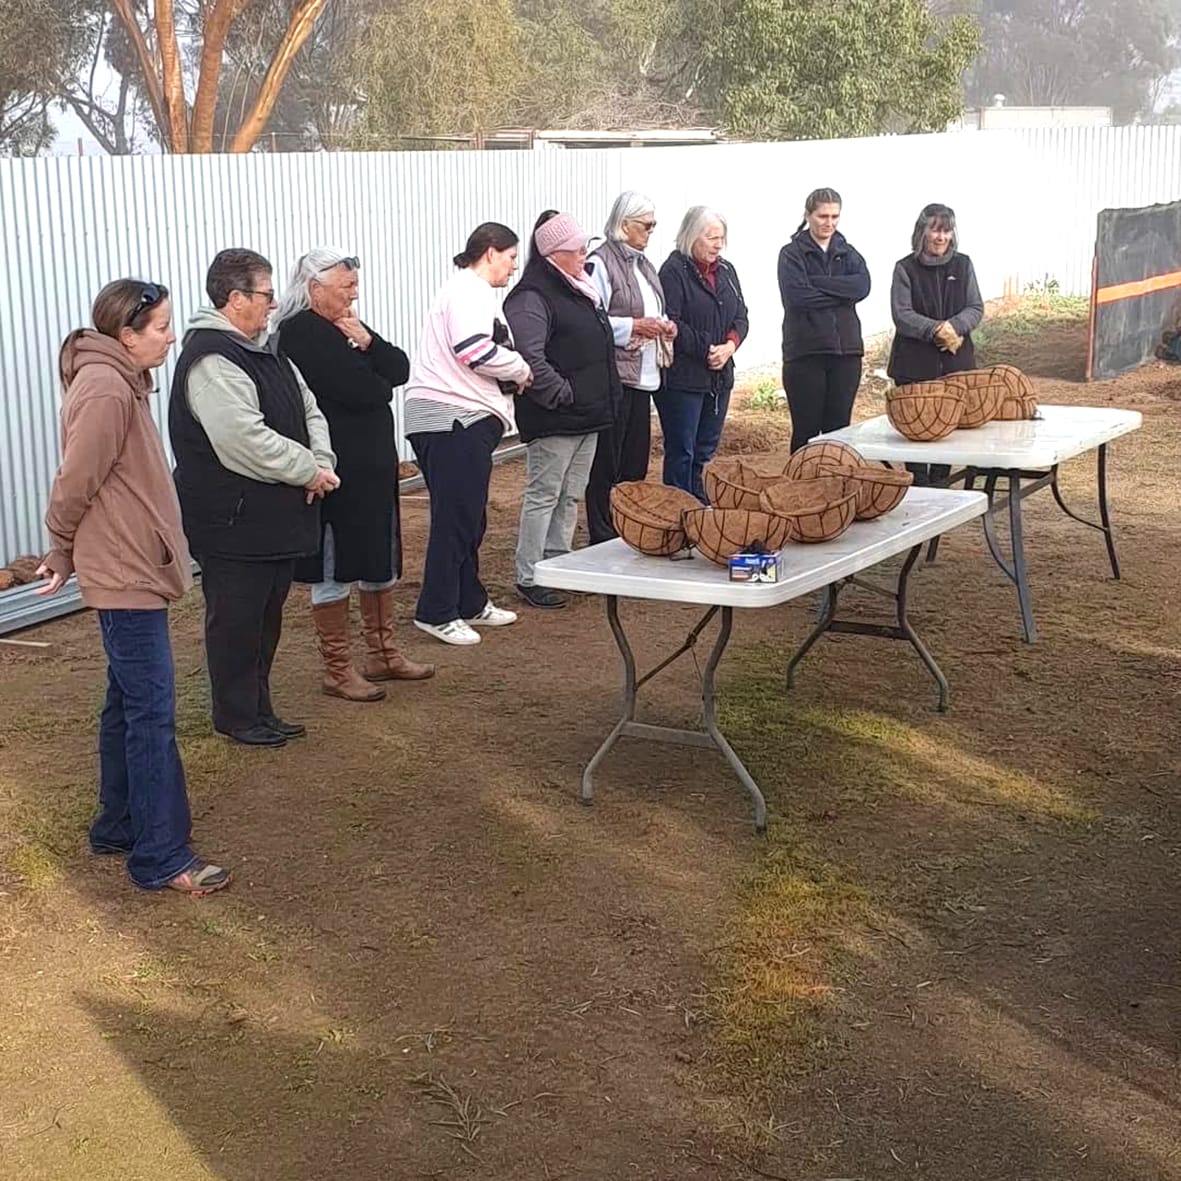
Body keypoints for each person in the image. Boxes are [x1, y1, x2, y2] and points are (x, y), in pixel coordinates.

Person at [36, 279, 230, 896]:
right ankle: (161, 856)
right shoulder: (105, 387)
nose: (171, 338)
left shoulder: (121, 381)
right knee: (151, 713)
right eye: (162, 327)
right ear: (127, 335)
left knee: (127, 703)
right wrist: (60, 546)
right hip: (124, 571)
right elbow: (75, 479)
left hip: (131, 564)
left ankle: (117, 826)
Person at [169, 248, 338, 748]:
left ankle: (260, 708)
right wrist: (308, 469)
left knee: (265, 620)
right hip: (232, 523)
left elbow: (309, 407)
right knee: (236, 623)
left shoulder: (265, 349)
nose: (273, 303)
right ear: (236, 298)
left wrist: (321, 461)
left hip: (270, 521)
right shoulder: (213, 360)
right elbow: (243, 440)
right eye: (266, 294)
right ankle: (237, 715)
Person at [274, 248, 434, 701]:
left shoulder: (346, 326)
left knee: (377, 552)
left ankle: (383, 652)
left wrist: (368, 343)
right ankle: (337, 667)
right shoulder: (300, 332)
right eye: (346, 286)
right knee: (335, 561)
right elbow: (366, 390)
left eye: (355, 285)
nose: (354, 295)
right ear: (314, 288)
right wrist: (375, 374)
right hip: (335, 467)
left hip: (372, 466)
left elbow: (399, 368)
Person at [403, 223, 531, 646]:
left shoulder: (470, 292)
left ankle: (469, 600)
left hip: (456, 418)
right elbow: (473, 350)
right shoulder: (469, 291)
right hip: (452, 419)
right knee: (457, 518)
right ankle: (436, 610)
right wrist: (520, 368)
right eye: (511, 257)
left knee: (469, 515)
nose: (513, 266)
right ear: (490, 252)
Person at [504, 210, 620, 608]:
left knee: (570, 494)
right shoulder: (531, 297)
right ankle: (530, 574)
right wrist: (563, 394)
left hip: (588, 413)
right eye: (578, 249)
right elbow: (530, 356)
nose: (585, 256)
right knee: (544, 494)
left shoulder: (580, 288)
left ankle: (558, 563)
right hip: (556, 416)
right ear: (554, 253)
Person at [585, 192, 677, 542]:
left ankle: (626, 528)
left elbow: (654, 308)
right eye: (646, 225)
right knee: (607, 462)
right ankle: (602, 532)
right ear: (625, 224)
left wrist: (664, 326)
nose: (651, 231)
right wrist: (634, 327)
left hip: (644, 374)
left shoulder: (643, 264)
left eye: (654, 225)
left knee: (635, 462)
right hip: (616, 376)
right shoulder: (600, 263)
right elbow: (593, 320)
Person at [655, 206, 749, 502]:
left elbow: (741, 316)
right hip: (684, 377)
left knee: (705, 448)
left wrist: (729, 346)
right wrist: (707, 348)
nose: (718, 244)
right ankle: (678, 506)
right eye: (711, 237)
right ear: (691, 236)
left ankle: (698, 503)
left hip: (719, 376)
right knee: (682, 449)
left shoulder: (727, 271)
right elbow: (671, 321)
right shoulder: (673, 272)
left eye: (721, 238)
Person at [888, 203, 984, 485]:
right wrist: (935, 330)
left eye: (946, 231)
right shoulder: (904, 268)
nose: (941, 237)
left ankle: (942, 486)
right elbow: (902, 314)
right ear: (922, 232)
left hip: (956, 366)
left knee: (948, 439)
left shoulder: (963, 264)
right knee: (916, 439)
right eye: (935, 230)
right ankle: (919, 486)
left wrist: (954, 327)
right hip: (913, 368)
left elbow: (975, 307)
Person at [778, 188, 871, 452]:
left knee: (839, 431)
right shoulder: (791, 254)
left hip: (846, 354)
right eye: (822, 216)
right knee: (806, 431)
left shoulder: (849, 252)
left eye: (834, 216)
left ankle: (833, 477)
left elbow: (862, 287)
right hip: (805, 353)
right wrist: (842, 294)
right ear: (808, 215)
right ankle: (802, 478)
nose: (829, 223)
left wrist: (817, 282)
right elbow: (797, 297)